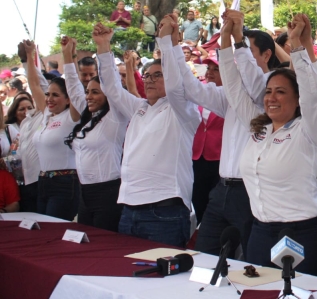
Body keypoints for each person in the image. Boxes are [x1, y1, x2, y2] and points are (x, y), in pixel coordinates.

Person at [218, 13, 317, 276]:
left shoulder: (310, 128)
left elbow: (313, 94)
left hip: (302, 232)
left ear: (296, 98)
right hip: (259, 230)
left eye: (281, 91)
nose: (271, 97)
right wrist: (226, 39)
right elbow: (234, 88)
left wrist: (299, 45)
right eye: (269, 91)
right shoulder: (259, 128)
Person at [160, 9, 271, 257]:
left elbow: (254, 86)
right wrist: (174, 47)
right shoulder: (228, 94)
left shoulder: (271, 89)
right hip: (222, 189)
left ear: (266, 55)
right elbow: (191, 88)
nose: (239, 60)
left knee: (254, 262)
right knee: (205, 257)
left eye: (247, 52)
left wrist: (236, 38)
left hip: (252, 189)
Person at [93, 22, 199, 247]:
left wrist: (165, 41)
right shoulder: (139, 107)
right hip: (129, 209)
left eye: (157, 75)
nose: (150, 80)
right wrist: (103, 48)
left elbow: (176, 87)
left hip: (164, 211)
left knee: (163, 280)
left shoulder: (182, 110)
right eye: (147, 76)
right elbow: (112, 88)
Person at [61, 36, 127, 232]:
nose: (88, 96)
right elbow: (73, 88)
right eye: (88, 92)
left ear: (108, 94)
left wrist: (103, 47)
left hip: (108, 193)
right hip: (85, 192)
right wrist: (67, 55)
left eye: (95, 92)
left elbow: (114, 85)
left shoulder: (116, 117)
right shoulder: (88, 116)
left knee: (104, 248)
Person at [24, 40, 81, 221]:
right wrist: (29, 55)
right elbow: (33, 85)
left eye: (55, 95)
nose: (49, 99)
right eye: (48, 94)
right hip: (42, 182)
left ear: (68, 99)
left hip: (65, 183)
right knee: (43, 230)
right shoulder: (47, 114)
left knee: (55, 231)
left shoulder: (72, 117)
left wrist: (69, 56)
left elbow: (76, 88)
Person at [191, 55, 225, 224]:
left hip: (218, 155)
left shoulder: (229, 95)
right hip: (197, 154)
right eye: (208, 69)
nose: (210, 73)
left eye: (216, 69)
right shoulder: (200, 92)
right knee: (198, 197)